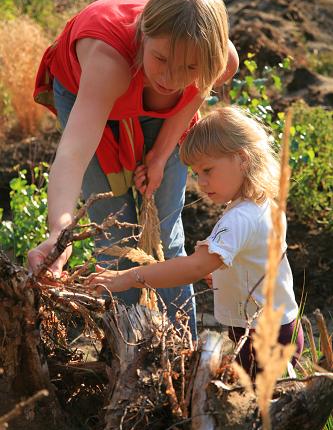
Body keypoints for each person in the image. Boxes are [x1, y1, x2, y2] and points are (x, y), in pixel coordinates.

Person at [28, 0, 239, 337]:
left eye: (189, 68)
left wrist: (158, 156)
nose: (172, 79)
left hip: (155, 108)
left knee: (168, 235)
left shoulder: (218, 61)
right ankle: (131, 354)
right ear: (143, 34)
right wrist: (58, 234)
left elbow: (191, 95)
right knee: (115, 240)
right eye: (162, 59)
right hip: (89, 90)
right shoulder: (109, 61)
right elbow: (74, 155)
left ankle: (180, 350)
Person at [86, 106, 304, 377]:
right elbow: (258, 260)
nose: (200, 182)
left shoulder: (239, 218)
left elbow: (193, 267)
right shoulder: (263, 205)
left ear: (242, 159)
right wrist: (224, 273)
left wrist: (130, 277)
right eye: (196, 173)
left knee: (255, 410)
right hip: (279, 326)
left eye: (207, 170)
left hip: (264, 338)